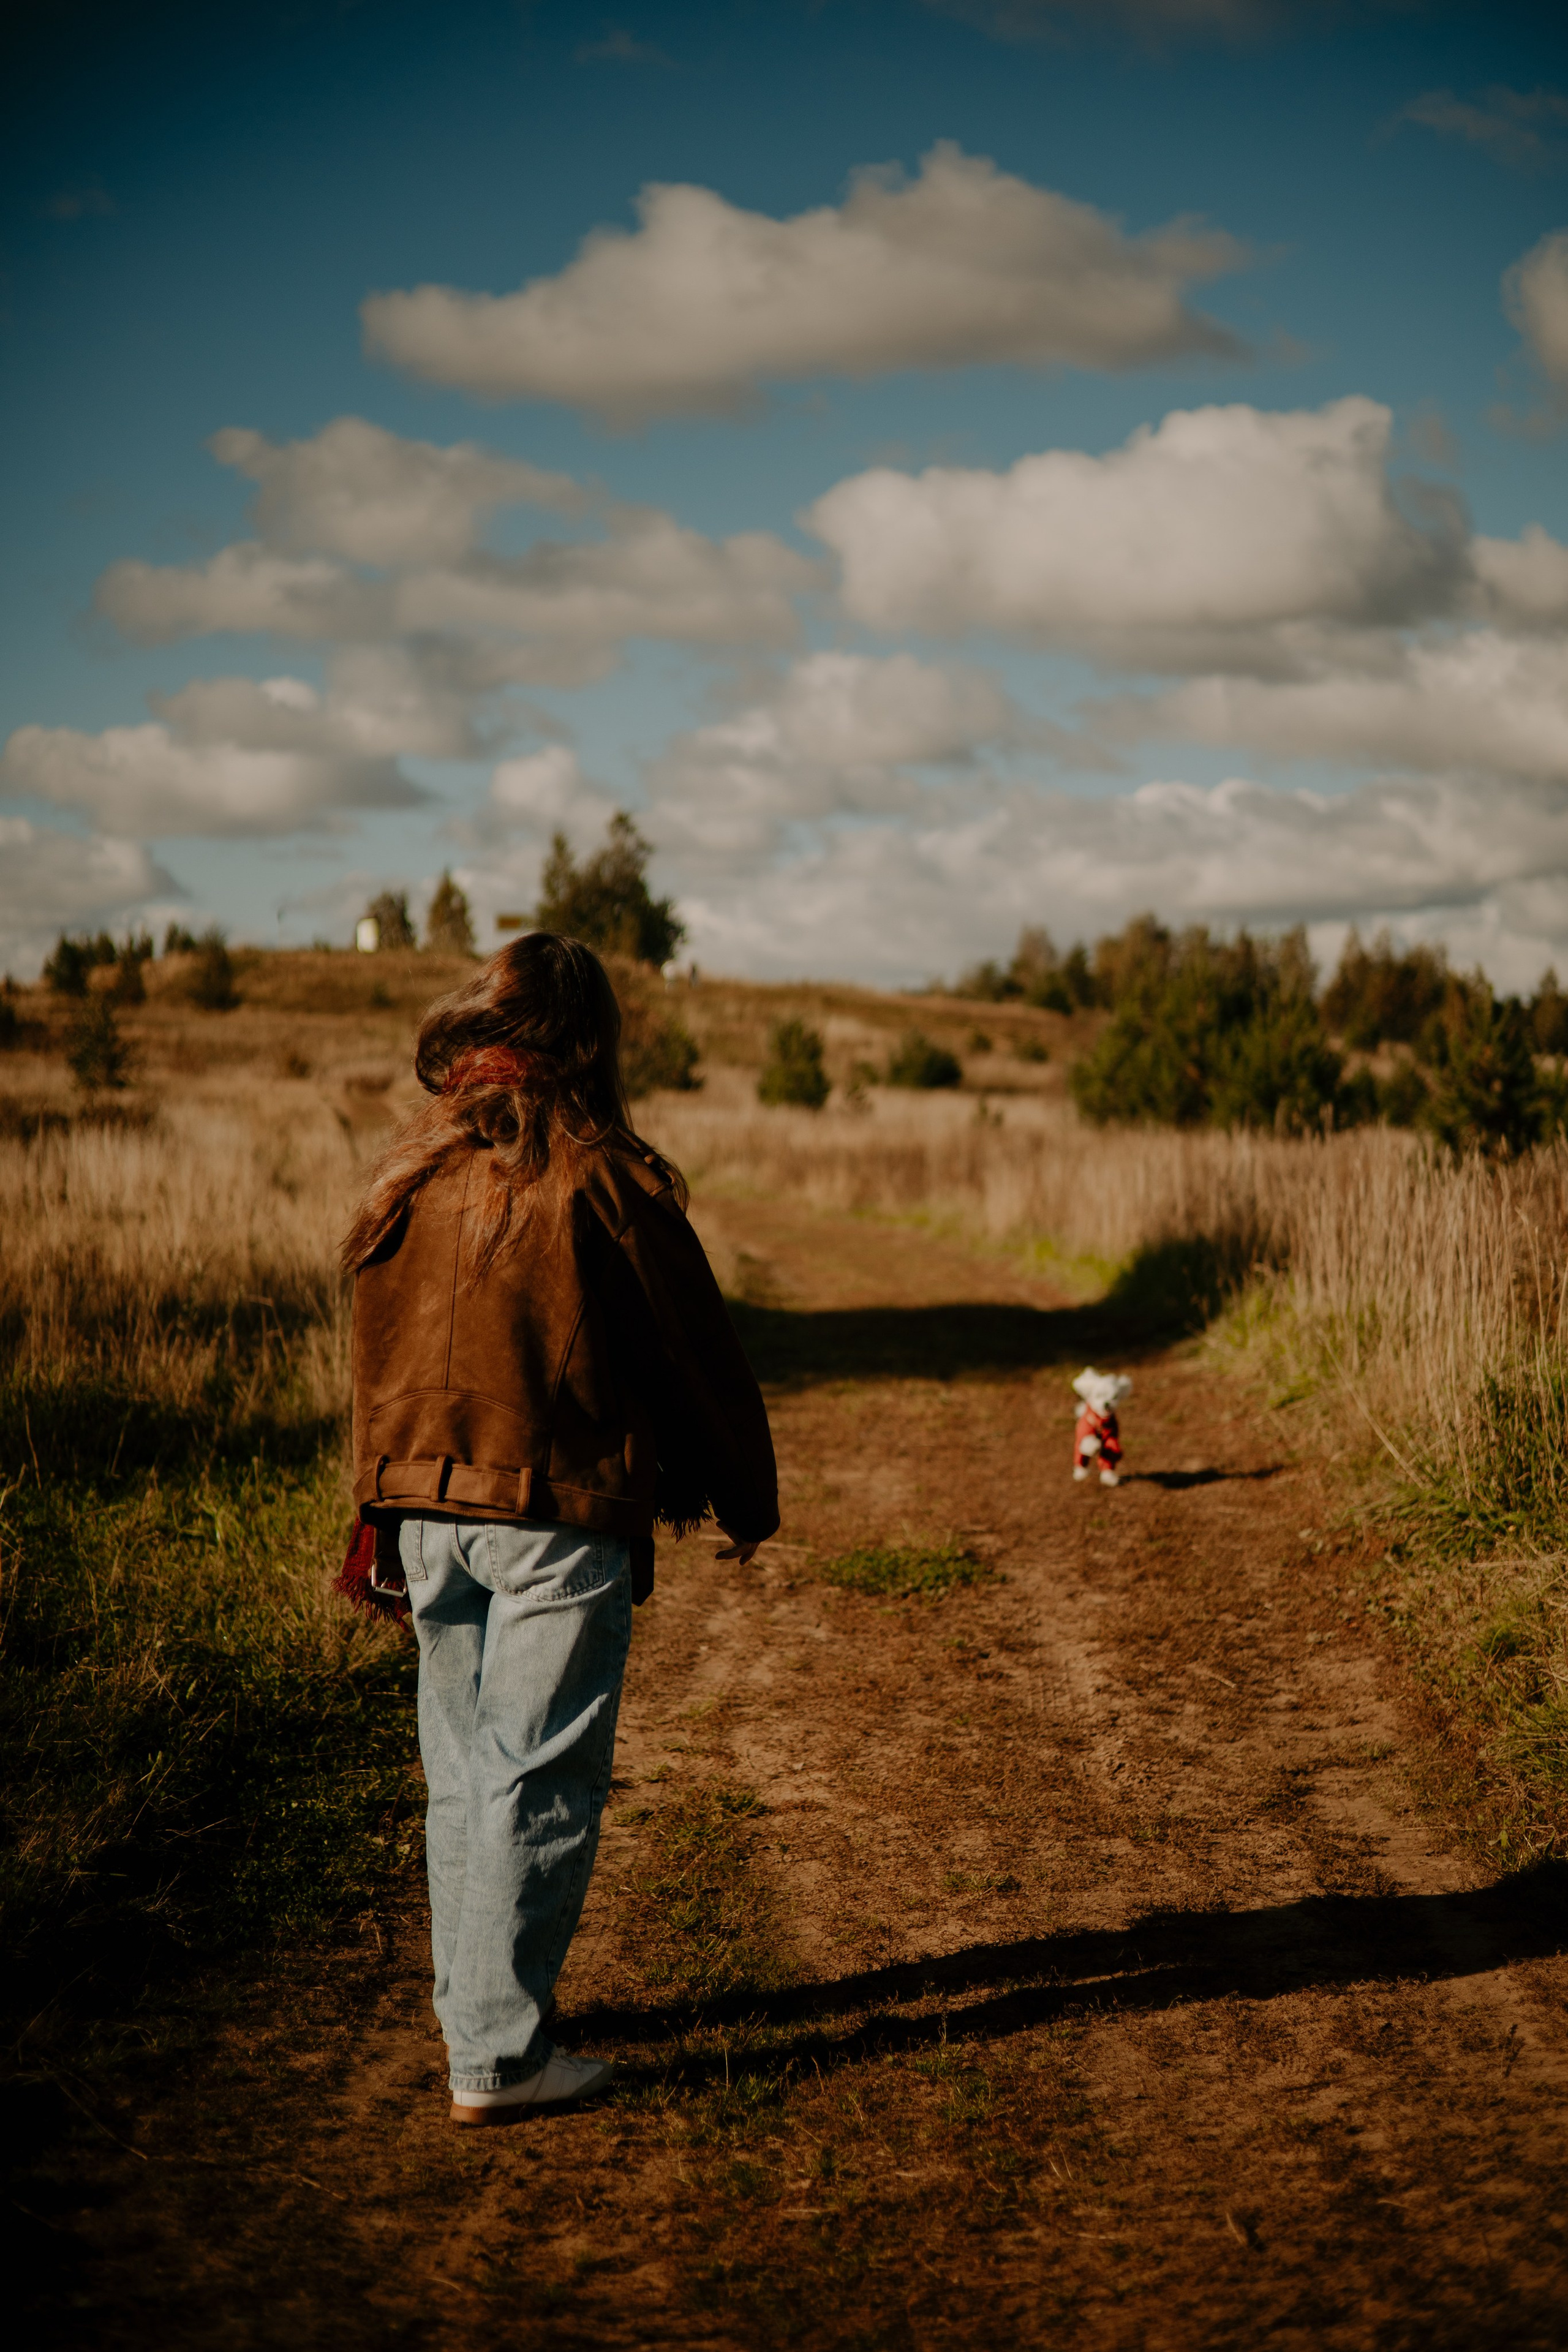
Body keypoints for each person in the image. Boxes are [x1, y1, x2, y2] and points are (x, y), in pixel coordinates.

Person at [341, 934, 778, 2126]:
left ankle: (474, 2017)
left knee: (465, 1777)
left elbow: (372, 1365)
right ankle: (498, 2056)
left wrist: (372, 1509)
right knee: (538, 1775)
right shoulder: (601, 1176)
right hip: (548, 1512)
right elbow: (692, 1356)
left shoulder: (409, 1177)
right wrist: (744, 1495)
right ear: (587, 1040)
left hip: (424, 1514)